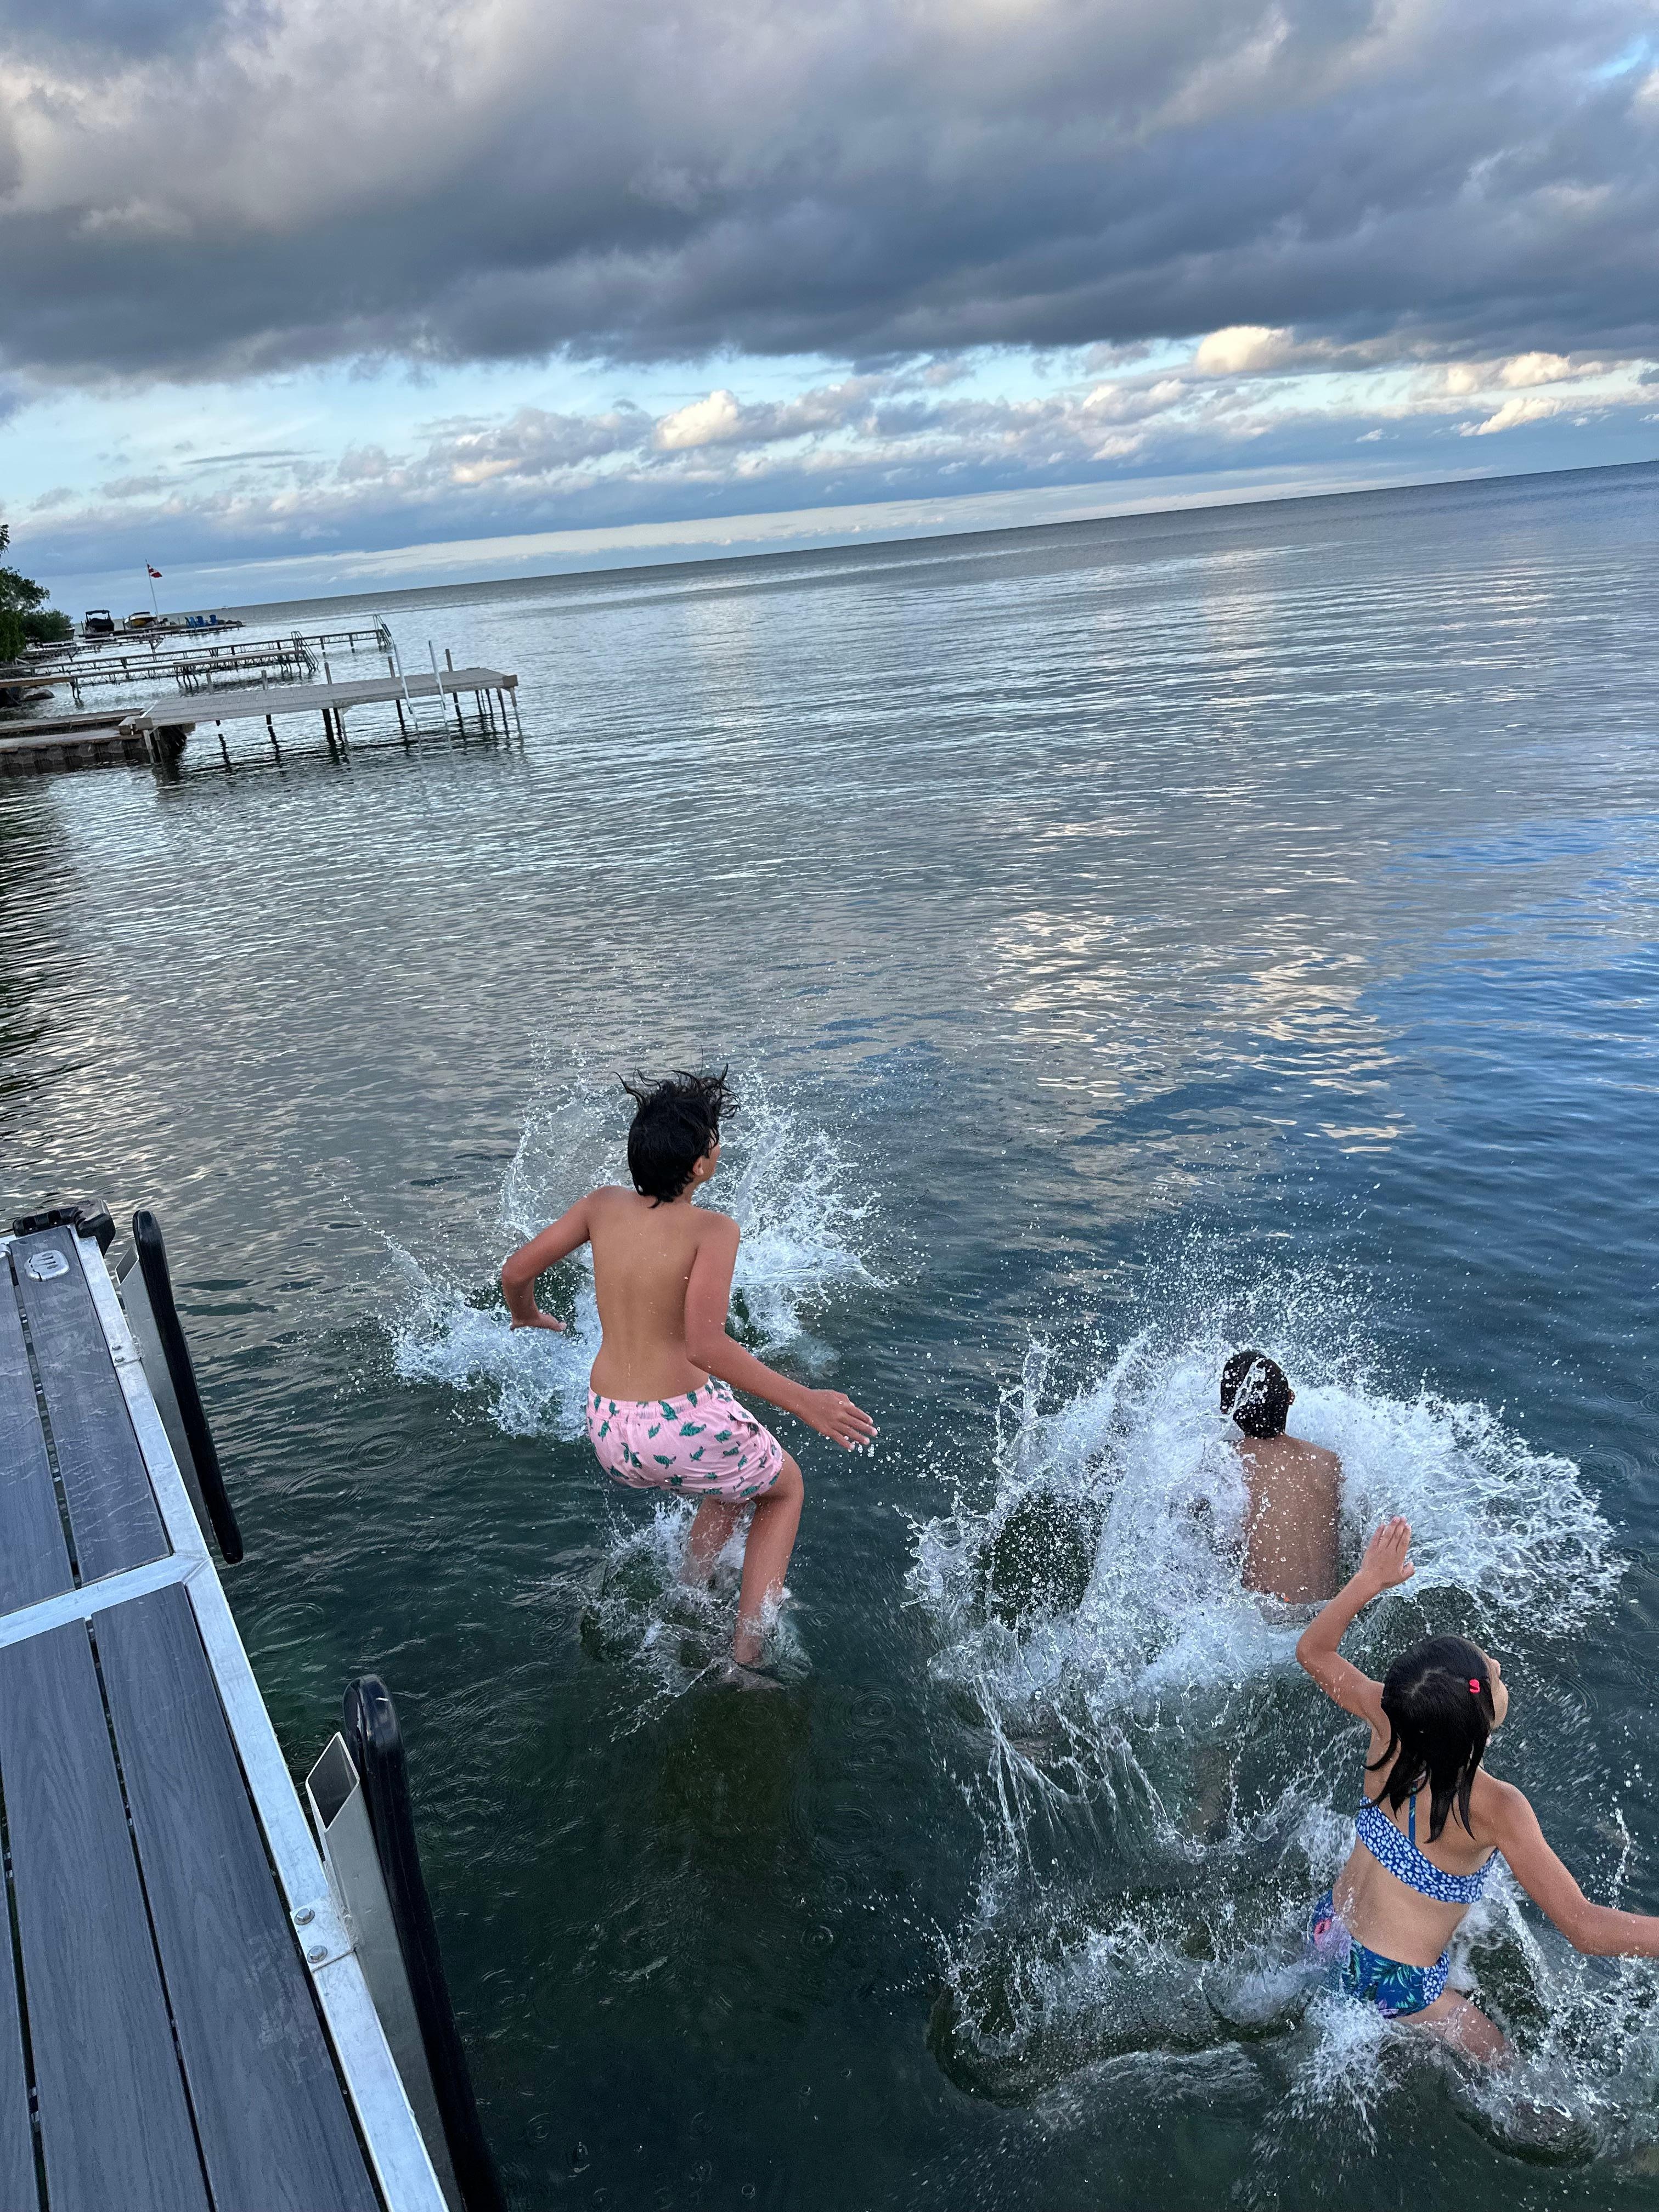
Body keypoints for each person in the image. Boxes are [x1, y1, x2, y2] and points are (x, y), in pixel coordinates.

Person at [501, 1070, 876, 1684]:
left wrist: (528, 1315)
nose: (719, 1146)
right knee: (784, 1488)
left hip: (608, 1426)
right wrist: (804, 1400)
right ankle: (748, 1660)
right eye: (714, 1139)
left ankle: (690, 1595)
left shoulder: (601, 1205)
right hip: (677, 1424)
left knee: (731, 1483)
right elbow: (705, 1346)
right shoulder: (713, 1230)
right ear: (700, 1166)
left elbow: (516, 1271)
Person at [1297, 1518, 1659, 2058]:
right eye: (1494, 1675)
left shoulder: (1387, 1718)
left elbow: (1314, 1653)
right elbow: (1584, 1928)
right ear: (1480, 1720)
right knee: (1511, 2074)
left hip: (1329, 1930)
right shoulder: (1497, 1806)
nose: (1498, 1664)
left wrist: (1368, 1580)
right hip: (1398, 1984)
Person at [1221, 1349, 1340, 1604]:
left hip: (1264, 1621)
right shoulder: (1328, 1462)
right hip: (1331, 1615)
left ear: (1227, 1408)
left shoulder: (1226, 1462)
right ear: (1290, 1398)